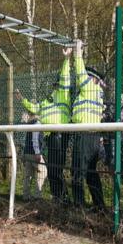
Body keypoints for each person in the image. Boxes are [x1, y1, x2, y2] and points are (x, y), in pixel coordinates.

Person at [17, 46, 72, 203]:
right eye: (55, 85)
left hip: (59, 134)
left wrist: (66, 59)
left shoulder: (63, 95)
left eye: (57, 84)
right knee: (53, 170)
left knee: (55, 170)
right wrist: (22, 99)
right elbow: (34, 108)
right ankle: (57, 197)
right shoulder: (47, 101)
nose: (55, 87)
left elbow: (65, 77)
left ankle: (62, 198)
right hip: (50, 137)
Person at [71, 39, 106, 212]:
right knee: (91, 173)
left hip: (84, 134)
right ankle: (99, 206)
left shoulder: (89, 88)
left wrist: (78, 52)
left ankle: (78, 205)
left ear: (92, 78)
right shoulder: (98, 93)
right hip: (93, 135)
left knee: (78, 171)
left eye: (87, 75)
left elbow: (79, 71)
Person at [22, 112, 48, 200]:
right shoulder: (37, 123)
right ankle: (37, 195)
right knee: (43, 172)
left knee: (28, 175)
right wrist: (37, 152)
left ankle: (26, 195)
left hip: (27, 152)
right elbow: (35, 139)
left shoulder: (29, 123)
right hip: (34, 153)